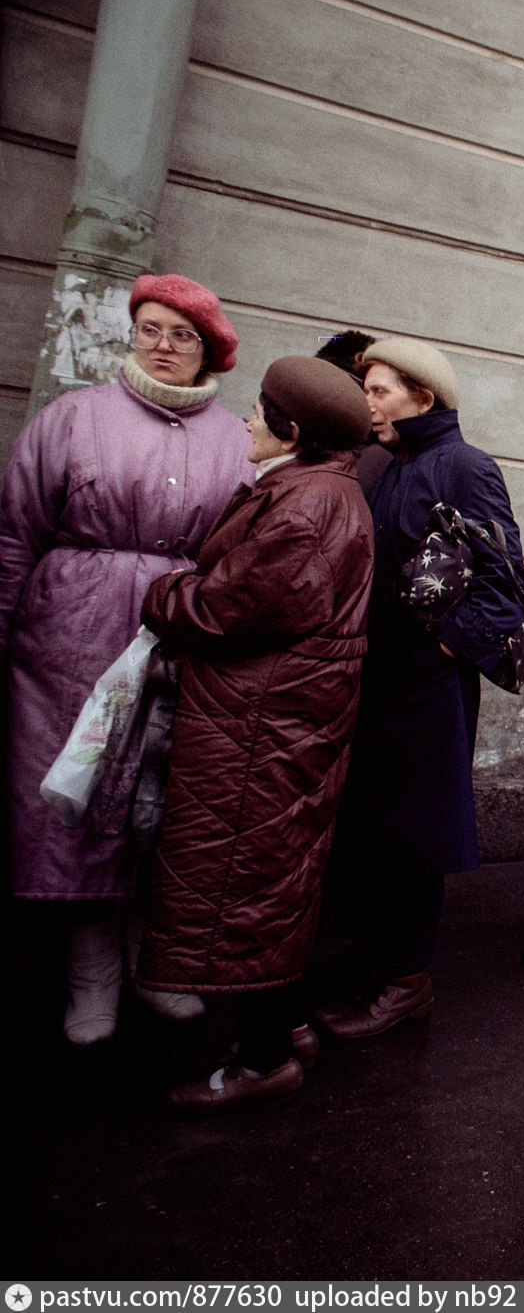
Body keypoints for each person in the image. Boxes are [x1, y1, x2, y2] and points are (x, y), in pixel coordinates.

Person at [0, 273, 253, 1045]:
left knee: (164, 802)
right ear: (131, 333)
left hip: (182, 640)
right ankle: (92, 976)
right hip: (71, 639)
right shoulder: (73, 418)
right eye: (150, 328)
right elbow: (15, 534)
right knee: (80, 795)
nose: (164, 345)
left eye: (182, 334)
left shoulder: (236, 437)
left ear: (207, 347)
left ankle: (152, 962)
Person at [134, 357, 374, 1110]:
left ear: (294, 433)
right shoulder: (321, 488)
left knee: (248, 885)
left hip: (260, 727)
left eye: (261, 413)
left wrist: (163, 590)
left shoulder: (305, 505)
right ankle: (282, 1029)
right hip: (273, 721)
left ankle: (263, 1056)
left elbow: (227, 607)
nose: (246, 420)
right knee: (269, 879)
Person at [314, 338, 524, 1042]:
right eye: (365, 389)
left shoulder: (465, 467)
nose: (366, 402)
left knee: (413, 836)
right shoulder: (381, 464)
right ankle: (367, 968)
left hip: (426, 688)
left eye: (379, 390)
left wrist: (439, 651)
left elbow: (504, 589)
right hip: (372, 679)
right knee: (368, 828)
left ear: (423, 399)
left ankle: (408, 983)